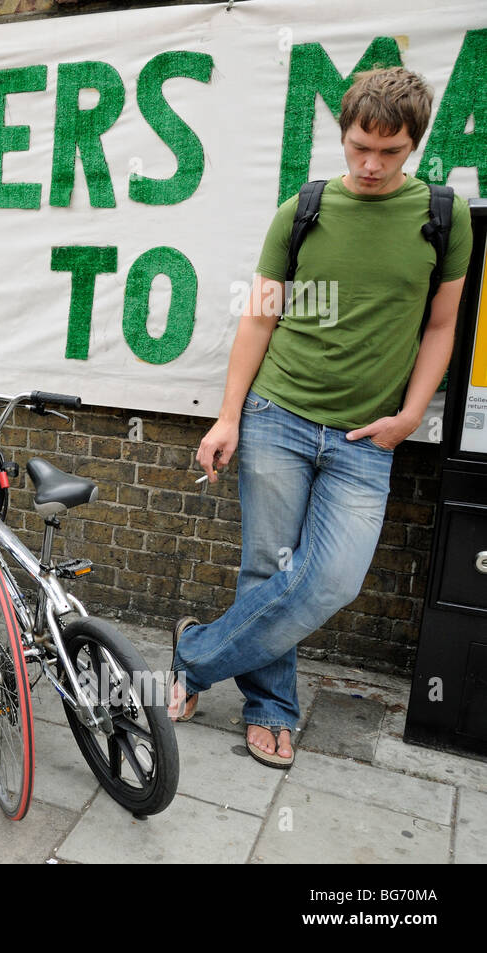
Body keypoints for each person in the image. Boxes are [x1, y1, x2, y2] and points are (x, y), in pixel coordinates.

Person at [169, 67, 471, 768]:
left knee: (332, 579)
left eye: (389, 152)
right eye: (359, 146)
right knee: (267, 568)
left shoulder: (441, 217)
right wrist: (228, 418)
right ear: (344, 134)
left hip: (370, 435)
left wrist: (410, 415)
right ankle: (272, 706)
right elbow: (259, 317)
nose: (370, 165)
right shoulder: (303, 209)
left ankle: (191, 657)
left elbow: (442, 327)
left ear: (413, 146)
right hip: (280, 413)